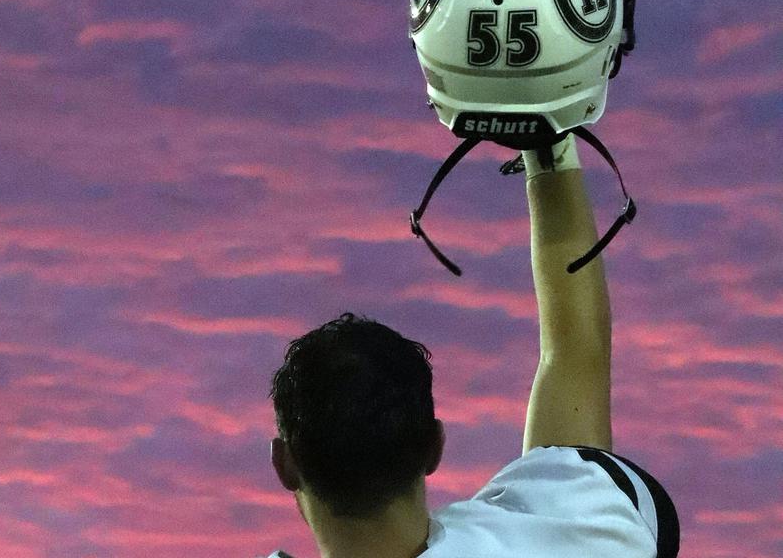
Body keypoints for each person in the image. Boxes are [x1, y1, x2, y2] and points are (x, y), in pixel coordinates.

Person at [264, 136, 679, 558]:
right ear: (434, 447)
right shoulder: (576, 540)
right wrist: (549, 144)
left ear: (284, 463)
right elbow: (573, 349)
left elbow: (573, 350)